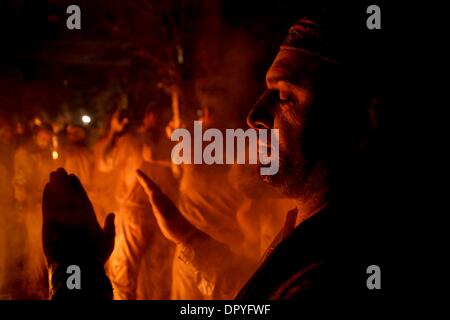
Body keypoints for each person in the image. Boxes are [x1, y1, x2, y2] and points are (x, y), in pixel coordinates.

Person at [41, 7, 383, 301]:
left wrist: (75, 275)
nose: (254, 116)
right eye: (266, 91)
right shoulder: (310, 231)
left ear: (360, 120)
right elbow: (253, 295)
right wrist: (187, 236)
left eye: (286, 96)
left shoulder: (331, 272)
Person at [98, 103, 174, 300]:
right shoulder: (170, 143)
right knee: (154, 277)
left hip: (134, 216)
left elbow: (104, 163)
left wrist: (114, 132)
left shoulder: (131, 141)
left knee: (123, 275)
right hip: (160, 216)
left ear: (148, 115)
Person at [13, 122, 60, 299]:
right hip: (33, 208)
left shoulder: (46, 152)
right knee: (34, 246)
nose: (46, 140)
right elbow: (21, 183)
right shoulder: (25, 153)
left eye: (48, 138)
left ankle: (41, 283)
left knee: (45, 247)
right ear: (36, 135)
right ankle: (31, 285)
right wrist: (27, 200)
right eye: (43, 137)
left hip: (45, 206)